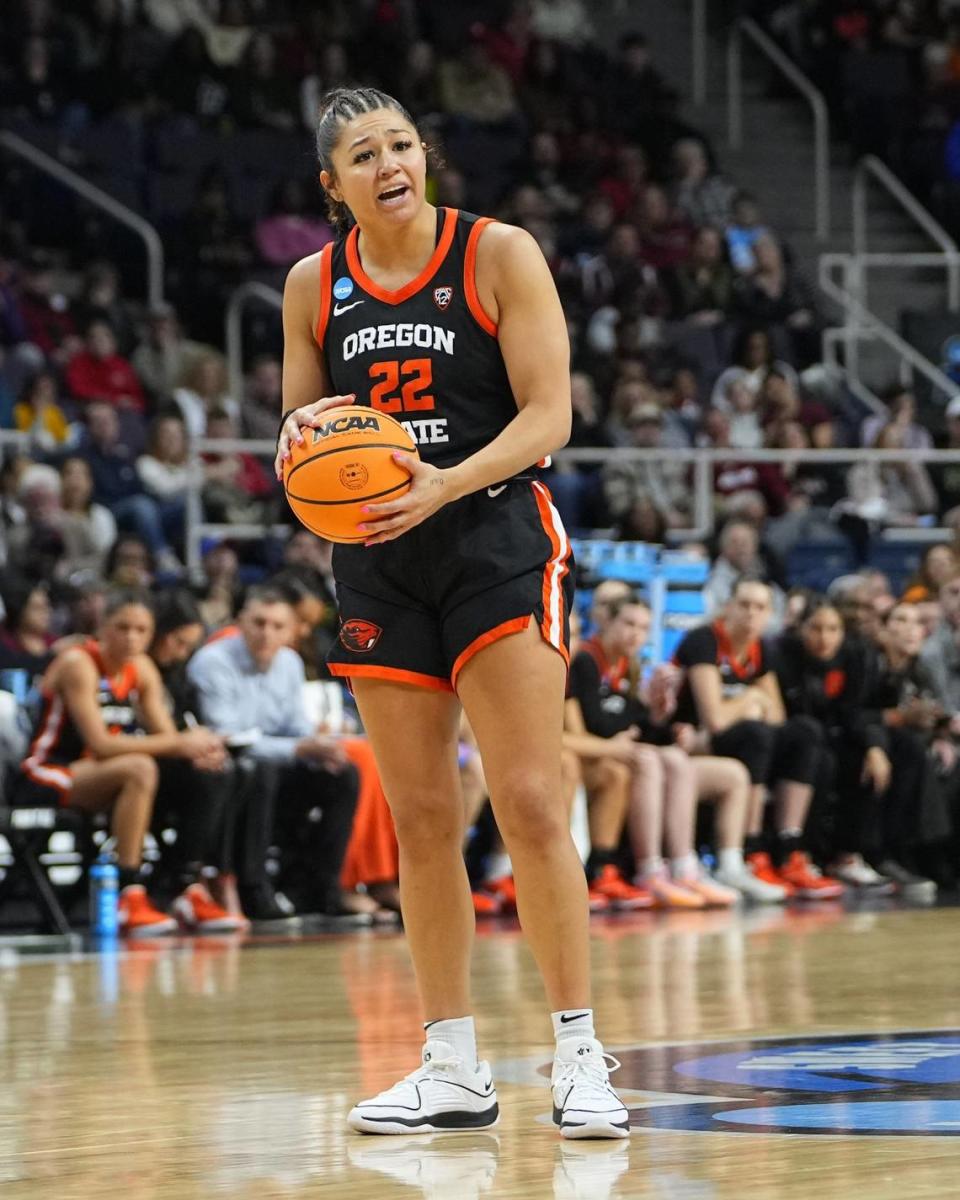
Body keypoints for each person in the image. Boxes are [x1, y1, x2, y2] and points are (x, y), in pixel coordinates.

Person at [275, 86, 628, 1138]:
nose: (388, 163)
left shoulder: (497, 253)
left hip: (493, 538)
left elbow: (550, 416)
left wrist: (438, 479)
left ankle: (578, 1053)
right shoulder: (311, 284)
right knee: (423, 818)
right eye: (362, 154)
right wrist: (314, 469)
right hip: (378, 560)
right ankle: (451, 1066)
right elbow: (298, 429)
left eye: (400, 144)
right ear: (330, 187)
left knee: (525, 797)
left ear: (423, 154)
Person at [17, 589, 226, 936]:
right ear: (102, 626)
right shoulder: (78, 663)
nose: (131, 637)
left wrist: (200, 750)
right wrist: (182, 743)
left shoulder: (141, 668)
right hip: (48, 770)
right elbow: (99, 744)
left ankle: (188, 883)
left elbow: (167, 736)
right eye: (122, 627)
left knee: (205, 774)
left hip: (101, 773)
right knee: (140, 768)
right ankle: (129, 895)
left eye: (141, 630)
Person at [186, 585, 362, 921]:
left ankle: (321, 888)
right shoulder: (214, 661)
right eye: (259, 622)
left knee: (343, 772)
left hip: (277, 762)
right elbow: (229, 737)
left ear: (292, 631)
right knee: (260, 768)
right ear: (241, 621)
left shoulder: (289, 662)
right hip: (230, 767)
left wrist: (320, 744)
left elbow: (296, 726)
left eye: (277, 626)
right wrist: (298, 747)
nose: (267, 633)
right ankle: (254, 887)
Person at [566, 593, 750, 907]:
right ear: (607, 622)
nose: (635, 633)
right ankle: (647, 868)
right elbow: (587, 730)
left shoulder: (630, 667)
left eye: (643, 627)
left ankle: (683, 865)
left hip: (615, 754)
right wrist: (625, 736)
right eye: (628, 623)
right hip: (589, 758)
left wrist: (659, 716)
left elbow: (635, 728)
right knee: (647, 761)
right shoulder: (585, 661)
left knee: (676, 759)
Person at [672, 576, 843, 900]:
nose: (751, 614)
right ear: (728, 607)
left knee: (805, 732)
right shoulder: (704, 640)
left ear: (769, 615)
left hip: (729, 739)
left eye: (760, 607)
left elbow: (777, 714)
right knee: (756, 734)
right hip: (692, 742)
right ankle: (751, 851)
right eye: (744, 605)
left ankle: (788, 847)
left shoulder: (761, 648)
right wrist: (751, 699)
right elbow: (716, 719)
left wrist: (747, 704)